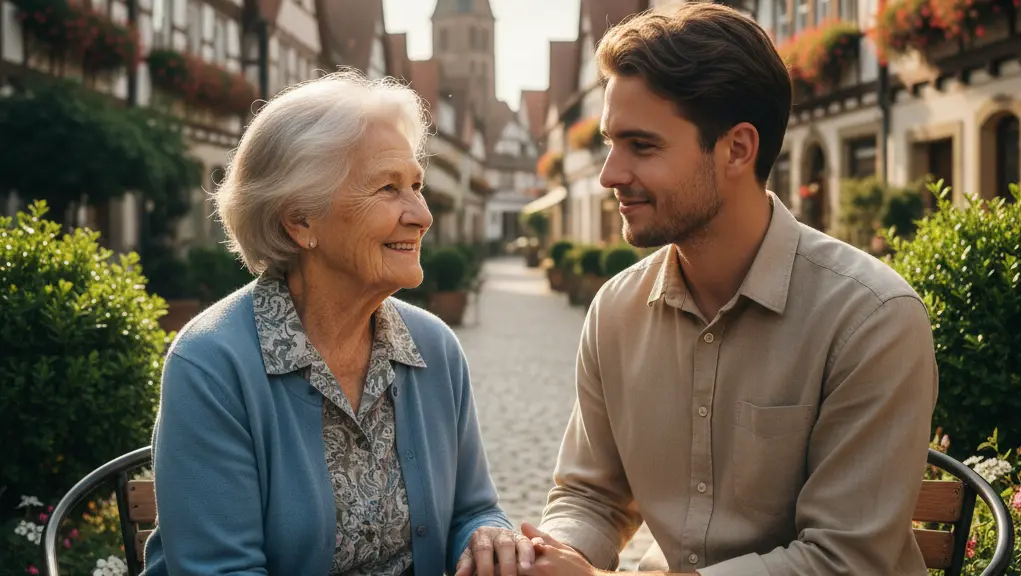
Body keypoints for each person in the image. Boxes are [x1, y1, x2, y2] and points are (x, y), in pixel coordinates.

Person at [520, 4, 938, 575]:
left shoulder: (871, 318)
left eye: (641, 146)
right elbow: (590, 496)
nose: (609, 174)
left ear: (737, 149)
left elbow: (846, 561)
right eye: (610, 143)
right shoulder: (615, 310)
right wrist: (552, 553)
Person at [142, 71, 533, 576]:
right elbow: (219, 570)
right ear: (300, 220)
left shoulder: (434, 347)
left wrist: (486, 535)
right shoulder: (213, 363)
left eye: (416, 185)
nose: (421, 214)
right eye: (388, 188)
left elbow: (473, 508)